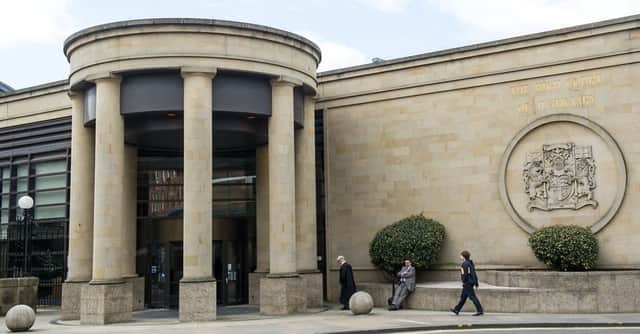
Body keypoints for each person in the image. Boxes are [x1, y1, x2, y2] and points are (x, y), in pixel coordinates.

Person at [450, 250, 484, 316]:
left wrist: (464, 281)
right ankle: (457, 309)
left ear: (463, 256)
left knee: (473, 297)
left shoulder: (464, 264)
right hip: (470, 282)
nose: (460, 256)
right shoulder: (470, 263)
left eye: (461, 255)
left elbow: (465, 274)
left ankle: (480, 310)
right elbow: (473, 273)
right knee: (463, 297)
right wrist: (476, 282)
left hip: (467, 283)